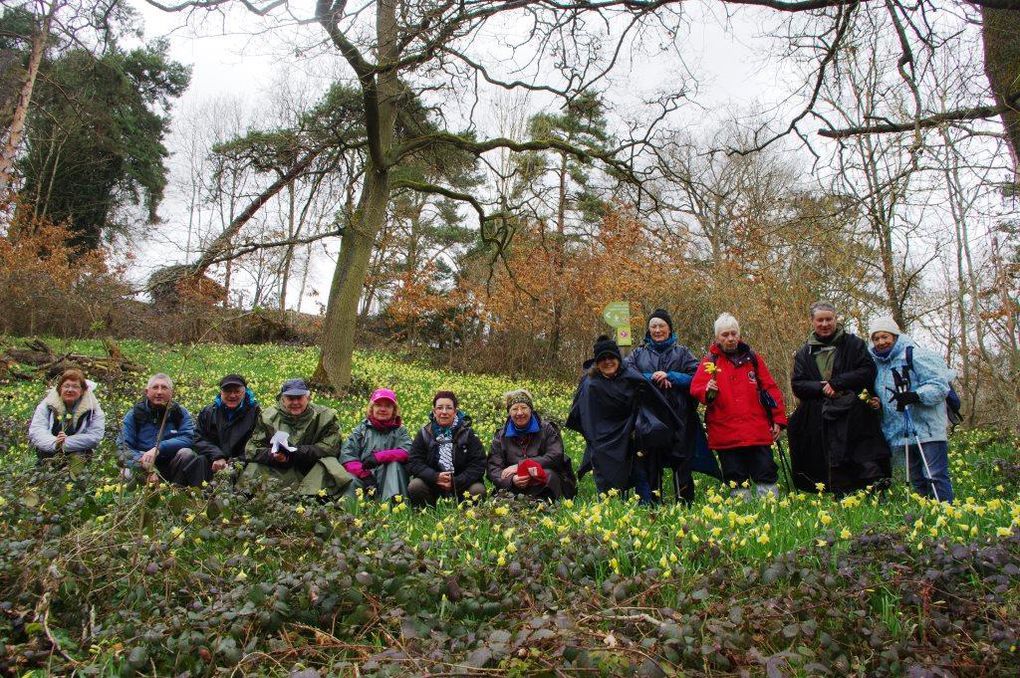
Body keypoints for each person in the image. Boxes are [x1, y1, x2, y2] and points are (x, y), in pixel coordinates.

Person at [788, 302, 891, 496]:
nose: (825, 324)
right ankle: (837, 494)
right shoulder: (804, 353)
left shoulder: (854, 344)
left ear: (836, 320)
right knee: (830, 457)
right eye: (820, 320)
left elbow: (868, 371)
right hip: (821, 415)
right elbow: (798, 385)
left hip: (855, 413)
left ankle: (873, 493)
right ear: (812, 322)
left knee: (863, 455)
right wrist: (823, 388)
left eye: (829, 319)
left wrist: (838, 383)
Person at [567, 334, 682, 502]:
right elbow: (585, 416)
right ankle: (611, 511)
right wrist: (596, 441)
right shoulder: (591, 384)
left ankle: (646, 509)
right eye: (602, 358)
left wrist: (640, 425)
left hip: (632, 438)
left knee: (641, 473)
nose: (608, 362)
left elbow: (651, 400)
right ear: (597, 363)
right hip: (604, 441)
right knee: (608, 476)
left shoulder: (631, 376)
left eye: (611, 357)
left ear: (618, 359)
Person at [690, 313, 787, 499]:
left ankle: (771, 511)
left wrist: (778, 419)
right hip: (726, 432)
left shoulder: (753, 359)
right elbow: (697, 389)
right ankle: (742, 514)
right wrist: (707, 390)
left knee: (765, 471)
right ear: (717, 338)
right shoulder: (710, 361)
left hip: (756, 430)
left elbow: (770, 389)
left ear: (739, 335)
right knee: (735, 475)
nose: (730, 338)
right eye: (725, 335)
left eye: (733, 333)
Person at [623, 308, 711, 503]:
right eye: (653, 326)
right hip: (649, 417)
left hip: (680, 417)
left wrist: (671, 376)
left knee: (681, 461)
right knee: (649, 461)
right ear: (648, 330)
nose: (657, 330)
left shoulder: (683, 352)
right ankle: (652, 503)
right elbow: (627, 375)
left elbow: (697, 377)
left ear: (669, 329)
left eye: (661, 326)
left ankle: (684, 503)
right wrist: (652, 378)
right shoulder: (638, 353)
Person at [868, 316, 955, 503]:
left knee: (935, 474)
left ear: (895, 336)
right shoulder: (876, 365)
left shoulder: (916, 355)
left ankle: (947, 512)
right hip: (900, 431)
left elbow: (940, 385)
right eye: (876, 339)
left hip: (927, 427)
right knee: (916, 479)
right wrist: (877, 403)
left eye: (885, 337)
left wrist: (916, 395)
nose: (881, 342)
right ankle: (926, 516)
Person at [239, 378, 350, 497]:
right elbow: (253, 448)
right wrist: (273, 455)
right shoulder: (268, 416)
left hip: (311, 469)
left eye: (299, 398)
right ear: (282, 398)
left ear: (308, 398)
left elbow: (330, 447)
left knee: (330, 463)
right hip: (279, 468)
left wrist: (295, 452)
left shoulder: (326, 416)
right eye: (291, 398)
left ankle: (311, 497)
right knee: (254, 466)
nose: (295, 402)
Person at [487, 389, 577, 501]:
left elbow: (556, 456)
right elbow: (493, 468)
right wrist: (512, 480)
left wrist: (523, 465)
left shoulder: (547, 429)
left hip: (542, 480)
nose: (520, 413)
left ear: (531, 409)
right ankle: (524, 502)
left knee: (549, 475)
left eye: (524, 408)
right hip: (515, 485)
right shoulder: (501, 436)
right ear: (509, 412)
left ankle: (540, 503)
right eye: (514, 409)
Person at [117, 373, 204, 487]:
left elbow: (188, 438)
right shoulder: (134, 414)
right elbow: (123, 446)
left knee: (187, 454)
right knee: (126, 472)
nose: (159, 392)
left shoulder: (179, 413)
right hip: (143, 463)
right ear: (146, 391)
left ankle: (176, 490)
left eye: (164, 387)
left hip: (171, 464)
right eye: (155, 387)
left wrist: (159, 448)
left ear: (171, 393)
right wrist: (141, 462)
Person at [406, 391, 486, 507]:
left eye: (449, 408)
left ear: (455, 412)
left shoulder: (468, 433)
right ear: (434, 411)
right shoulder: (424, 433)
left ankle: (467, 517)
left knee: (478, 490)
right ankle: (427, 513)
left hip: (461, 485)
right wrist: (435, 477)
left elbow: (478, 464)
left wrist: (455, 482)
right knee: (415, 485)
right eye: (439, 408)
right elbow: (414, 462)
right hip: (433, 484)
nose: (444, 412)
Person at [340, 388, 413, 502]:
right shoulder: (361, 430)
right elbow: (347, 456)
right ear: (372, 408)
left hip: (389, 477)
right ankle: (348, 515)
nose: (383, 409)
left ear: (394, 410)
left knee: (394, 466)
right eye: (378, 405)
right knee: (351, 479)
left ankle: (391, 508)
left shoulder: (400, 431)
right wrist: (365, 475)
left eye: (388, 406)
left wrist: (378, 457)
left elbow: (407, 451)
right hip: (364, 477)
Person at [28, 368, 105, 462]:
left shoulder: (93, 408)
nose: (70, 390)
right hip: (48, 452)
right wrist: (55, 443)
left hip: (78, 453)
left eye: (75, 386)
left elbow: (95, 436)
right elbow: (36, 431)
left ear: (82, 391)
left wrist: (65, 442)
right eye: (66, 386)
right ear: (60, 389)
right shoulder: (47, 404)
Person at [193, 374, 261, 481]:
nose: (232, 395)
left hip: (242, 463)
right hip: (214, 461)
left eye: (237, 391)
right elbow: (198, 438)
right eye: (228, 391)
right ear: (221, 392)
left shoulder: (256, 413)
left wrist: (234, 462)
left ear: (244, 392)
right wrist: (217, 455)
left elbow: (257, 444)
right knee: (197, 460)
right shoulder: (209, 412)